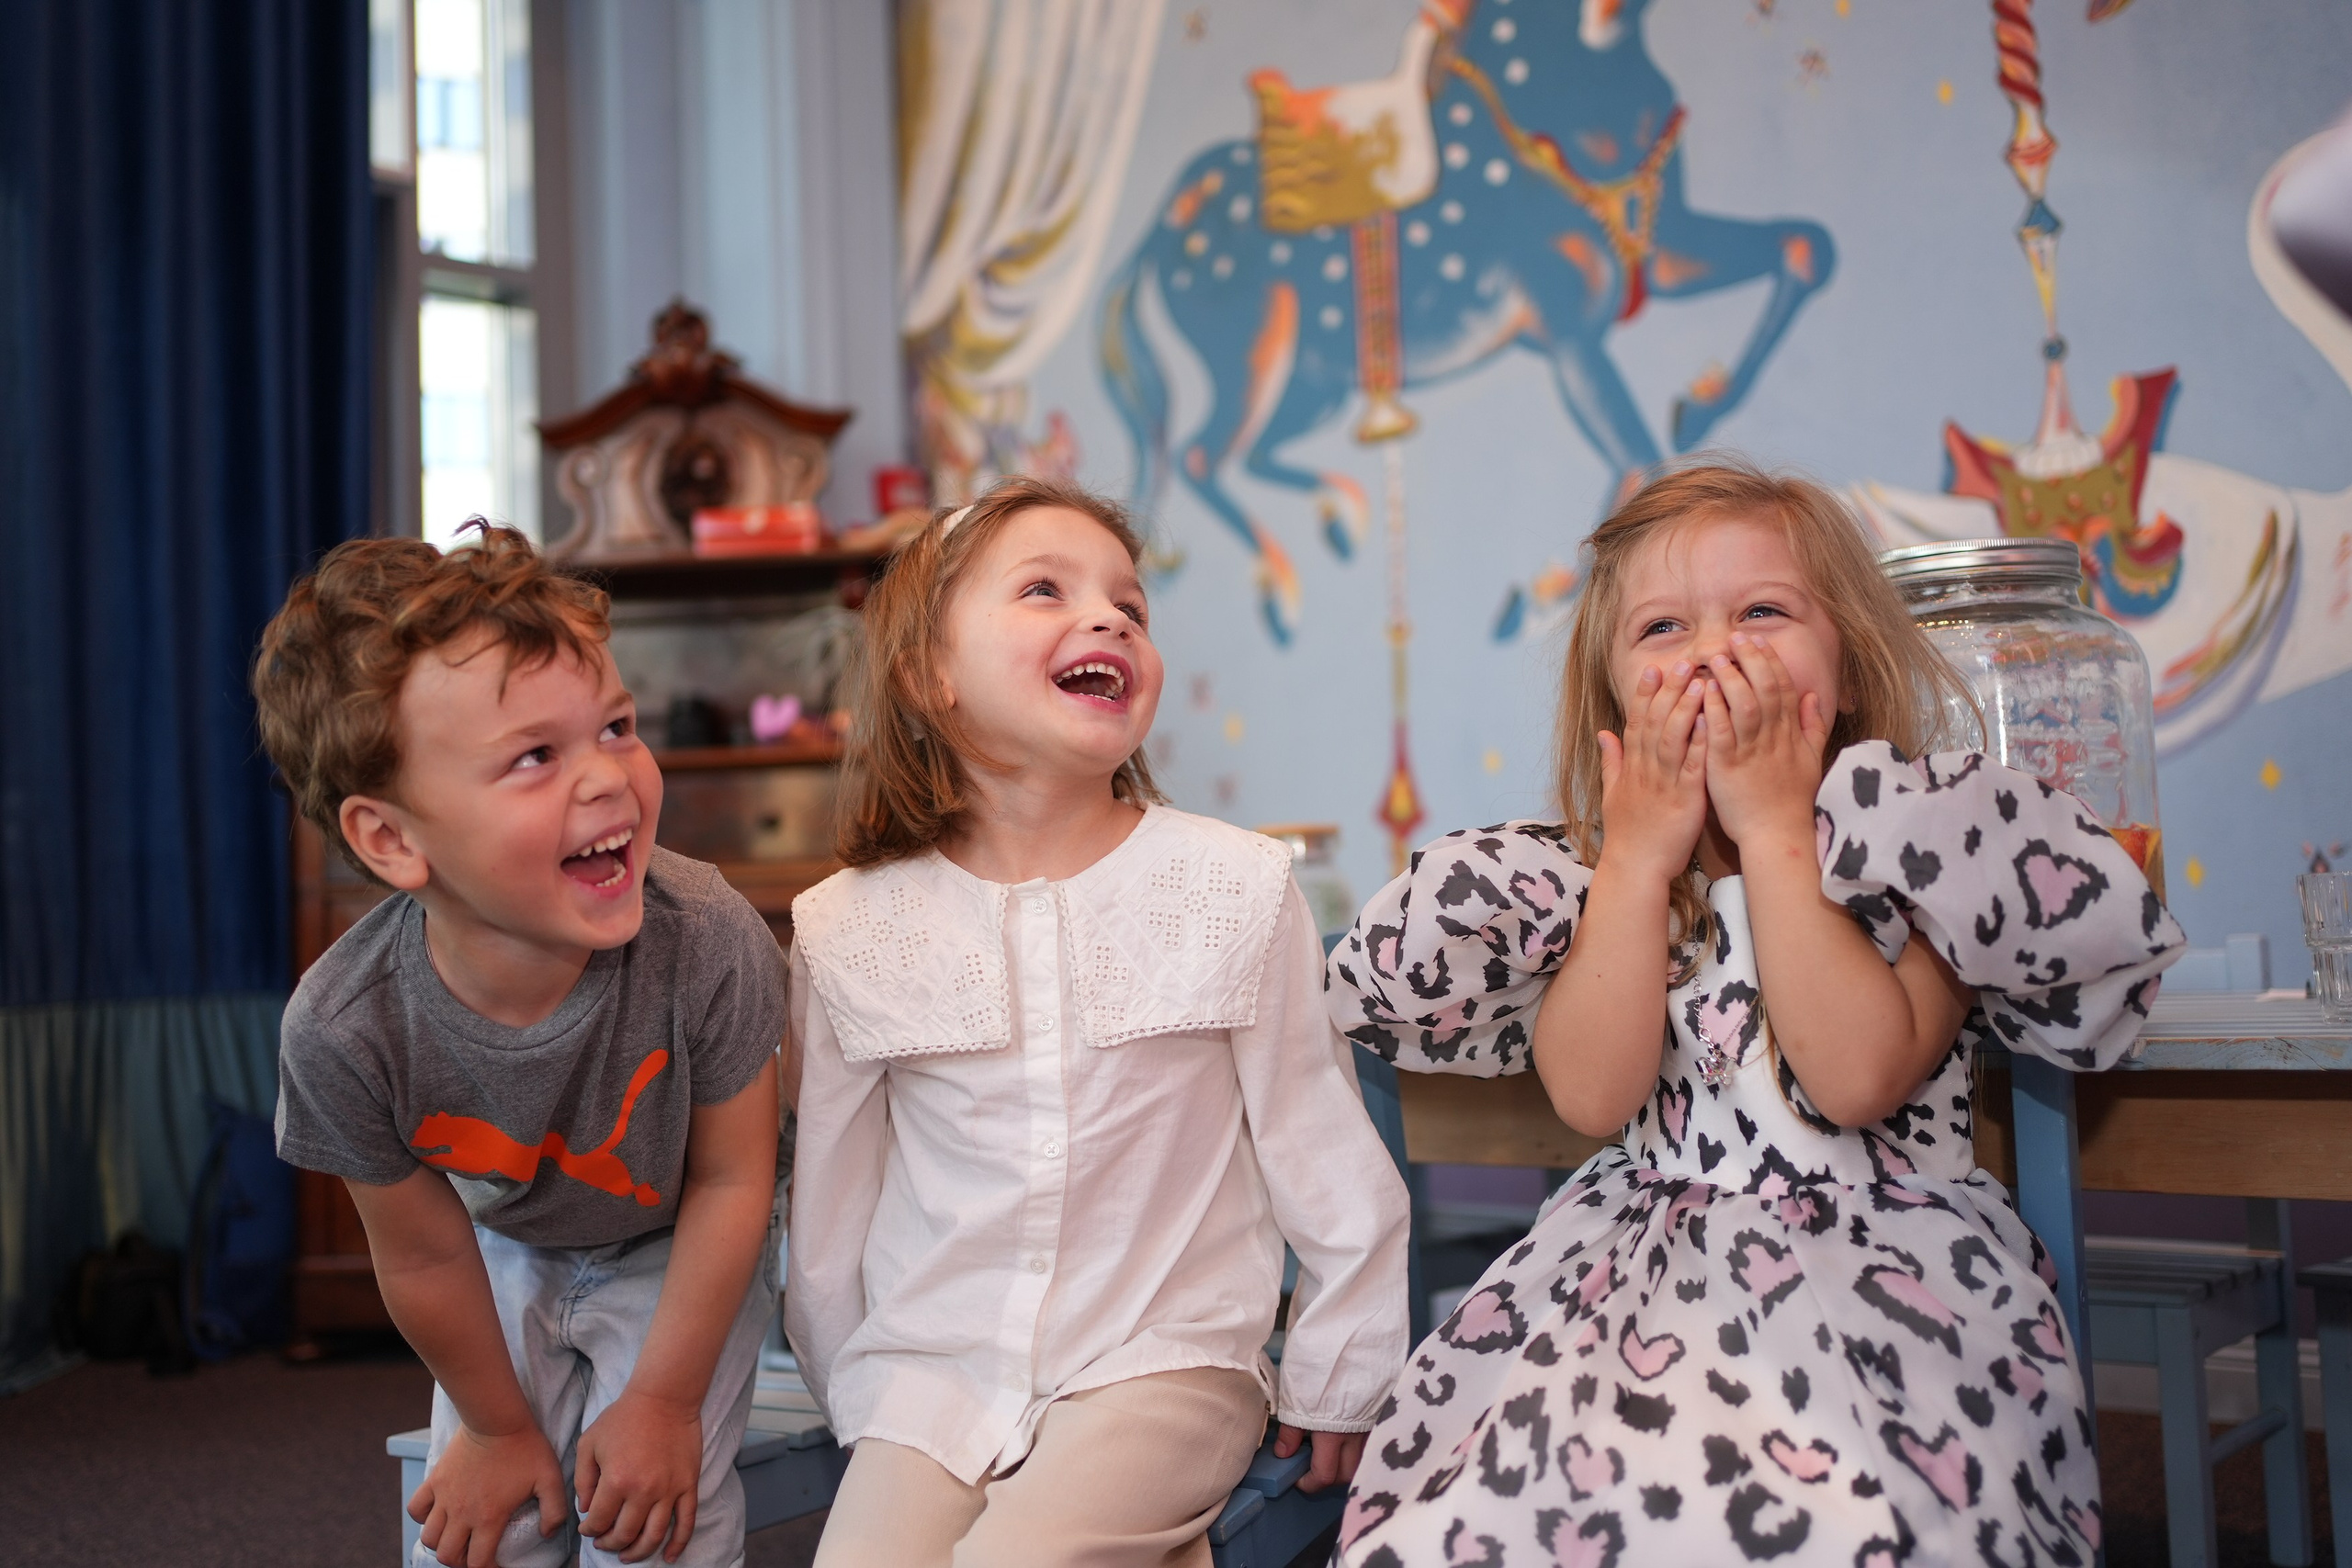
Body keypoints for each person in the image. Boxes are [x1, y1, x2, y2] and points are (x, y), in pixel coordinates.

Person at [1325, 461, 2183, 1566]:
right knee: (1502, 1517)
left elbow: (1856, 1080)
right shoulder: (1597, 889)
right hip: (1633, 1287)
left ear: (1853, 674)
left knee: (1842, 1523)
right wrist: (1636, 861)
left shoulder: (1920, 858)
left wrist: (1778, 833)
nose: (1712, 652)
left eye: (1762, 612)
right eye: (1663, 627)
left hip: (1882, 1293)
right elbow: (1591, 1095)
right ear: (1612, 706)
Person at [786, 477, 1410, 1568]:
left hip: (1161, 1365)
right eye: (1043, 589)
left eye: (1132, 604)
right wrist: (858, 1388)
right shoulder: (848, 925)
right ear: (929, 677)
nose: (1110, 616)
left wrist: (1339, 1366)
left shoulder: (1231, 885)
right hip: (931, 1377)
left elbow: (1322, 1149)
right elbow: (834, 1202)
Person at [254, 526, 785, 1568]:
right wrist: (496, 1428)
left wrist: (665, 1404)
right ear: (393, 840)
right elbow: (423, 1248)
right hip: (512, 1243)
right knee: (481, 1532)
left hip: (685, 1238)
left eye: (618, 727)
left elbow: (735, 1183)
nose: (609, 781)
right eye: (537, 756)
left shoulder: (709, 936)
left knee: (647, 1517)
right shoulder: (342, 1028)